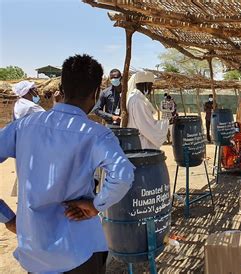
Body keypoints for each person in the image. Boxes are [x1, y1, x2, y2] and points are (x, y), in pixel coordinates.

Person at [0, 54, 135, 273]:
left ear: (62, 89)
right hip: (79, 248)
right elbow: (123, 175)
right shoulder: (97, 134)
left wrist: (6, 216)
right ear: (95, 93)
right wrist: (96, 205)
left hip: (34, 249)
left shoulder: (24, 126)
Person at [127, 71, 169, 149]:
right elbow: (146, 126)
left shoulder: (134, 98)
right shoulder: (138, 101)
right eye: (150, 85)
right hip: (142, 144)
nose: (151, 88)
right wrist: (166, 123)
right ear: (145, 84)